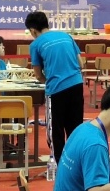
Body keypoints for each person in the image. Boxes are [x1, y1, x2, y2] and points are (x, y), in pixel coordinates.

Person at [25, 11, 85, 164]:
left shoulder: (35, 44)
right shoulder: (66, 36)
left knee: (55, 130)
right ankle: (76, 162)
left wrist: (50, 80)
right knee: (75, 127)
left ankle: (59, 165)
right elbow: (81, 64)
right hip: (77, 85)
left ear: (33, 30)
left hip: (56, 90)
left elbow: (38, 75)